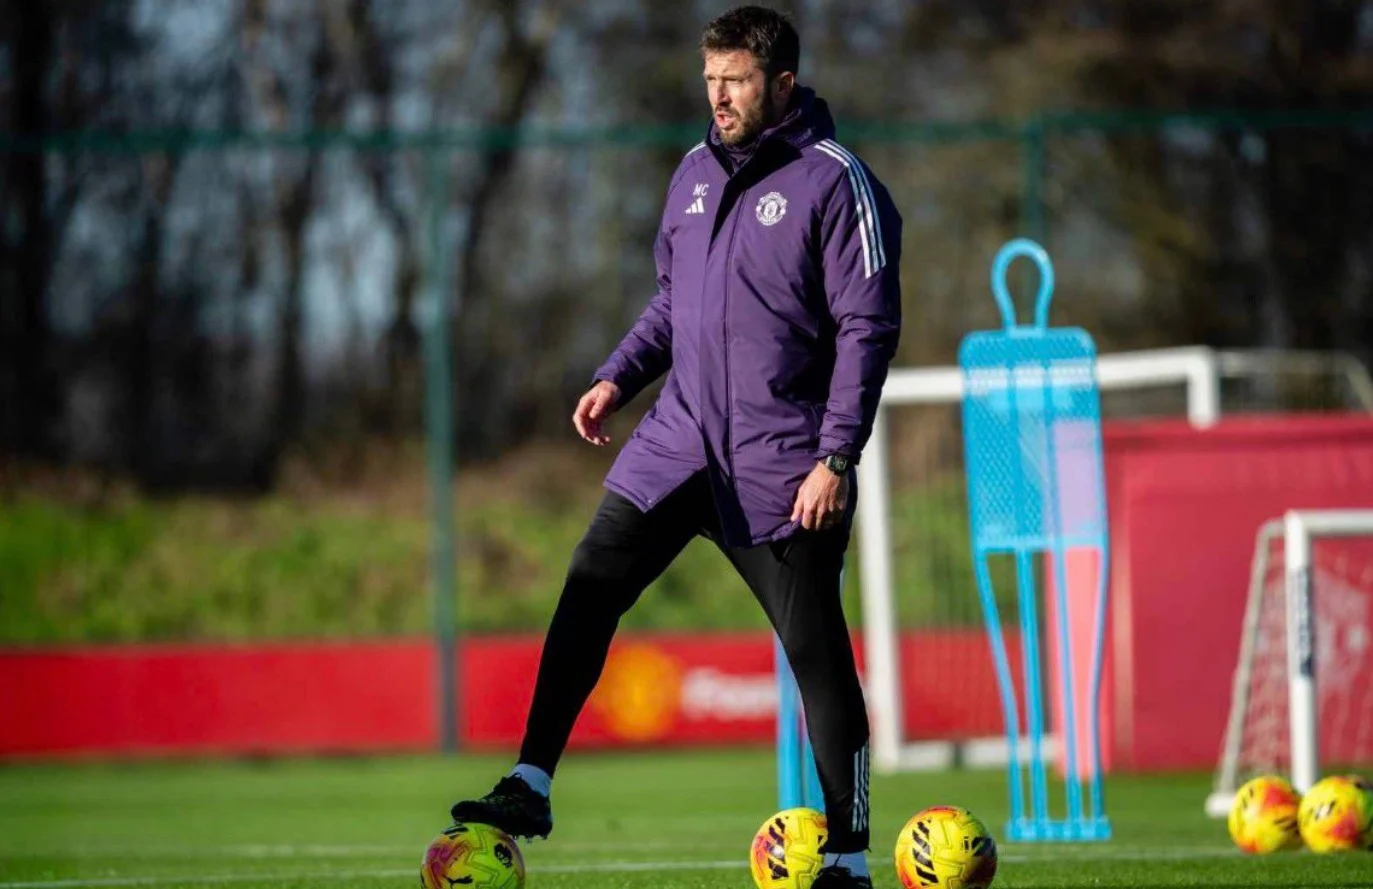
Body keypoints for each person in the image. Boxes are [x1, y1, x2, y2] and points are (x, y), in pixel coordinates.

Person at [450, 6, 901, 887]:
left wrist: (835, 457)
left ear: (781, 83)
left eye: (735, 81)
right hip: (676, 441)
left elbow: (867, 329)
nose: (717, 97)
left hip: (782, 464)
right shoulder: (692, 172)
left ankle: (847, 856)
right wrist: (617, 375)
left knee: (815, 653)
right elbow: (672, 300)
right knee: (590, 580)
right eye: (709, 80)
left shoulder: (836, 181)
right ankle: (531, 781)